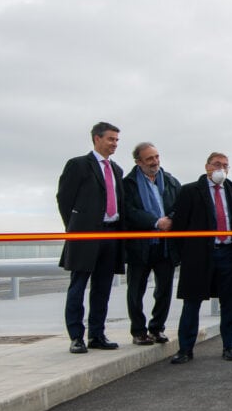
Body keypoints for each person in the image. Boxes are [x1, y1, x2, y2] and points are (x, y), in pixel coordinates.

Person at [169, 152, 232, 364]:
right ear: (207, 167)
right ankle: (185, 349)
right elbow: (179, 226)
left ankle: (230, 346)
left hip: (229, 253)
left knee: (231, 303)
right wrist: (184, 255)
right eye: (216, 165)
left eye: (225, 165)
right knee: (192, 302)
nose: (220, 169)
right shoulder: (189, 191)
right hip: (200, 255)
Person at [56, 121, 126, 354]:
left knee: (103, 287)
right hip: (86, 234)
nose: (114, 143)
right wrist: (76, 227)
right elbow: (65, 199)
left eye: (116, 140)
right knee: (78, 285)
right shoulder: (78, 165)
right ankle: (76, 336)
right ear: (97, 139)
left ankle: (97, 334)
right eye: (110, 139)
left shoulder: (116, 169)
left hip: (111, 233)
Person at [122, 142, 181, 346]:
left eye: (156, 157)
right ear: (138, 162)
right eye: (149, 159)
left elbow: (179, 205)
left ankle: (157, 328)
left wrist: (171, 219)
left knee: (164, 289)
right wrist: (155, 222)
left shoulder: (171, 181)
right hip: (140, 245)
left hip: (165, 245)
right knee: (136, 289)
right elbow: (129, 211)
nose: (154, 162)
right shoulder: (128, 184)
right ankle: (138, 331)